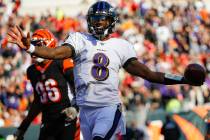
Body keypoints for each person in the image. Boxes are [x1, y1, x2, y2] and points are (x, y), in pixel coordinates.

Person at [6, 1, 204, 140]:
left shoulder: (121, 45)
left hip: (107, 109)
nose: (97, 24)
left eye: (102, 21)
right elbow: (57, 52)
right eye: (95, 20)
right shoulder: (79, 39)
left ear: (112, 21)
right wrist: (30, 48)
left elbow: (149, 74)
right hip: (85, 111)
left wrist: (183, 80)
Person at [12, 29, 80, 140]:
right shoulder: (32, 71)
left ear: (50, 44)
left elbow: (79, 88)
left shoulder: (62, 62)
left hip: (68, 117)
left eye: (38, 45)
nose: (35, 50)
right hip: (48, 121)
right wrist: (23, 127)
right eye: (33, 46)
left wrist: (75, 108)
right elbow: (38, 102)